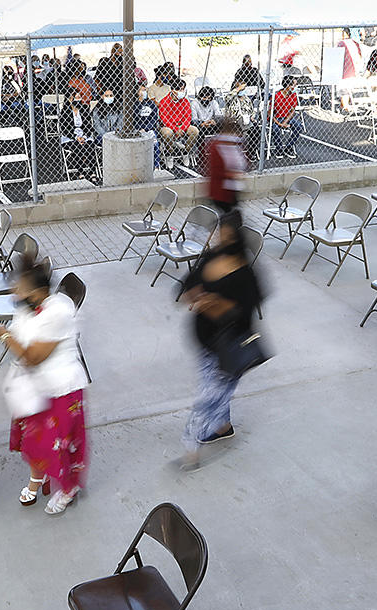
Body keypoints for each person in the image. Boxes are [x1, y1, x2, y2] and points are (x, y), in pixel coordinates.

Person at [0, 258, 89, 512]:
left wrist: (4, 334)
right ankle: (37, 478)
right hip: (33, 389)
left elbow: (31, 357)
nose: (15, 294)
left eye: (20, 290)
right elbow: (20, 339)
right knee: (34, 441)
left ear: (37, 292)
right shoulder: (27, 308)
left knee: (60, 445)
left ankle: (67, 488)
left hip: (61, 390)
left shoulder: (59, 313)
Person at [179, 210, 265, 471]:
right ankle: (223, 426)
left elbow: (249, 307)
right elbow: (186, 287)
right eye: (220, 235)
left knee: (208, 397)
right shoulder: (211, 257)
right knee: (216, 392)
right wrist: (194, 295)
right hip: (205, 342)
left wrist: (216, 304)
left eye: (228, 236)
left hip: (228, 346)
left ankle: (190, 446)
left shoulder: (245, 272)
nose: (222, 241)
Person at [205, 118, 246, 212]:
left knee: (232, 216)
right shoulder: (217, 146)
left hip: (232, 190)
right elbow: (216, 170)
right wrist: (232, 174)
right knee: (228, 218)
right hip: (220, 192)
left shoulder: (233, 144)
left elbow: (243, 161)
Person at [159, 79, 199, 168]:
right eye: (180, 89)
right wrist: (176, 129)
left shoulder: (185, 101)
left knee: (194, 131)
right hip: (168, 126)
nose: (182, 92)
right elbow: (164, 119)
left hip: (182, 125)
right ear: (173, 90)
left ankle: (186, 151)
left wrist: (182, 128)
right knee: (167, 133)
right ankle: (170, 153)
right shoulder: (164, 101)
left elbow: (188, 117)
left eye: (183, 89)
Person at [61, 94, 97, 181]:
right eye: (76, 98)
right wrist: (76, 137)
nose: (78, 99)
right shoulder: (65, 112)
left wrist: (84, 137)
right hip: (70, 137)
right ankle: (80, 172)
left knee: (90, 145)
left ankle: (92, 171)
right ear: (70, 99)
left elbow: (89, 126)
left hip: (84, 134)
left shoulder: (84, 109)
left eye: (79, 97)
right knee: (77, 146)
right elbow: (64, 129)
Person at [271, 75, 303, 159]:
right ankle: (279, 149)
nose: (296, 87)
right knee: (276, 129)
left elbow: (292, 111)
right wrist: (280, 124)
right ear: (288, 86)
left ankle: (288, 147)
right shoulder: (277, 96)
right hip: (276, 118)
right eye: (294, 85)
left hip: (287, 118)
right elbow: (270, 113)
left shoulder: (293, 95)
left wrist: (285, 122)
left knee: (299, 127)